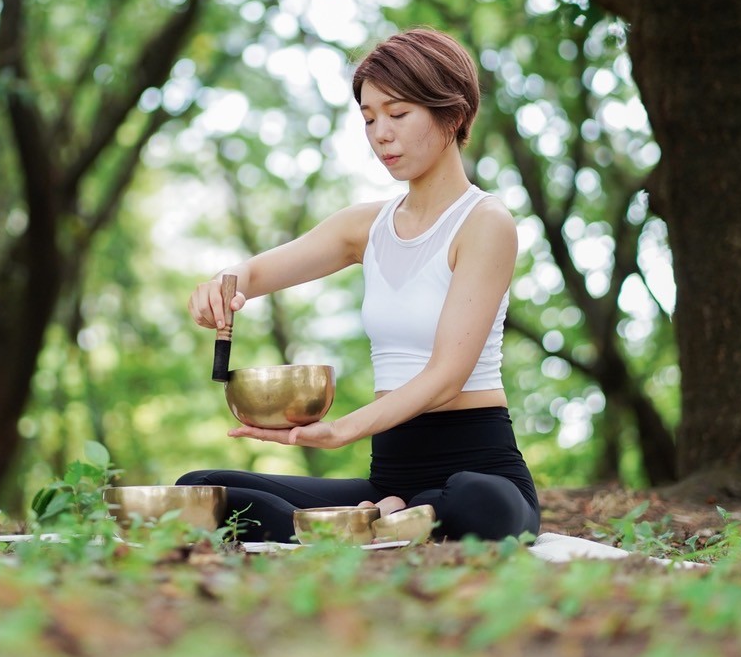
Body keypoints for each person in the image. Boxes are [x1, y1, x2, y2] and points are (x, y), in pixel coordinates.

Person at [180, 27, 539, 543]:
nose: (380, 135)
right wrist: (219, 287)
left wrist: (342, 429)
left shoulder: (485, 222)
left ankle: (392, 518)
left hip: (480, 468)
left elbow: (446, 377)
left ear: (453, 115)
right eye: (369, 119)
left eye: (397, 114)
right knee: (200, 489)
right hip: (389, 477)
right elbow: (254, 275)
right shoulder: (365, 227)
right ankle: (386, 519)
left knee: (478, 503)